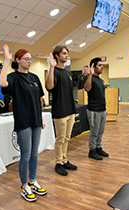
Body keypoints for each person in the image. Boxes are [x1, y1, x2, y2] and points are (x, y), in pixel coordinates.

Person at [0, 45, 47, 202]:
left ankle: (32, 181)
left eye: (31, 59)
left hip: (36, 120)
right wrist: (6, 60)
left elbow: (39, 99)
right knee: (25, 155)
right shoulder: (13, 78)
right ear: (18, 60)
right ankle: (24, 185)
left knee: (34, 153)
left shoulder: (34, 78)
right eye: (26, 59)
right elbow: (2, 83)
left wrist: (41, 117)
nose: (30, 61)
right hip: (23, 120)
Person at [46, 45, 77, 176]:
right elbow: (49, 86)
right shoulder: (55, 72)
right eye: (64, 53)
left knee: (67, 138)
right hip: (60, 111)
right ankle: (58, 162)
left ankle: (64, 159)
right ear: (57, 55)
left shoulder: (68, 73)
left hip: (70, 110)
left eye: (67, 53)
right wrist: (52, 67)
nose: (66, 55)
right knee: (60, 138)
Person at [84, 58, 109, 160]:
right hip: (94, 110)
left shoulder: (100, 80)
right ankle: (92, 150)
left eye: (101, 65)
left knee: (100, 131)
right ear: (93, 67)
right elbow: (87, 88)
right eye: (99, 65)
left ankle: (98, 147)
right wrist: (90, 74)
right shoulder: (91, 79)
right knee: (94, 132)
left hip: (102, 110)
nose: (101, 67)